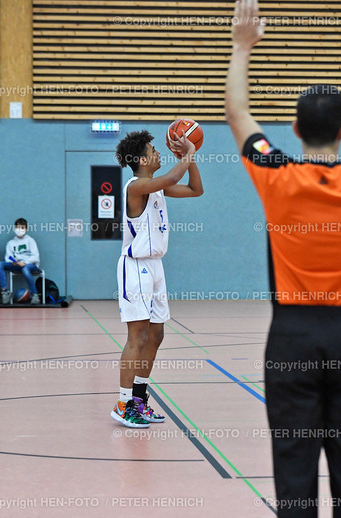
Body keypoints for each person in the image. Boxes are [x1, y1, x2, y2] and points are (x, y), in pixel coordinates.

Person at [226, 1, 341, 516]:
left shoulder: (277, 176)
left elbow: (238, 112)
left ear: (295, 132)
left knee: (294, 474)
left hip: (292, 337)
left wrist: (241, 46)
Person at [110, 130, 203, 428]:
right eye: (153, 150)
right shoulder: (137, 187)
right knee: (136, 337)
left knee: (157, 335)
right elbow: (173, 179)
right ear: (141, 160)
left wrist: (188, 159)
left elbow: (195, 190)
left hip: (155, 267)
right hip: (135, 267)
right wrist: (188, 152)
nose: (158, 153)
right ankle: (123, 404)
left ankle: (139, 399)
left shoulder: (157, 188)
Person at [0, 218, 42, 305]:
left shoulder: (30, 240)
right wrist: (13, 261)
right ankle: (5, 292)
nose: (19, 229)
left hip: (31, 265)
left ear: (26, 229)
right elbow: (8, 257)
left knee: (25, 269)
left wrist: (25, 262)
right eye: (18, 227)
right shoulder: (11, 243)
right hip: (17, 264)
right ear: (14, 228)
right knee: (0, 264)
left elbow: (36, 257)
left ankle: (35, 295)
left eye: (22, 227)